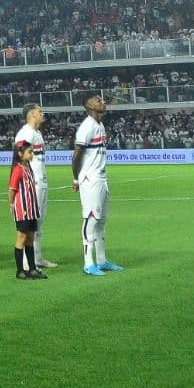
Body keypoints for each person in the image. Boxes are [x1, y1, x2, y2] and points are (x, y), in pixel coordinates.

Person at [72, 92, 122, 276]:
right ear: (90, 105)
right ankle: (88, 263)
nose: (103, 101)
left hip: (101, 178)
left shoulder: (99, 124)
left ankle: (102, 261)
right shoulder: (87, 126)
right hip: (90, 179)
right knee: (90, 219)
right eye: (98, 100)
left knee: (101, 221)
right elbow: (77, 154)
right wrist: (76, 178)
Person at [13, 105, 57, 268]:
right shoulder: (25, 134)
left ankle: (37, 258)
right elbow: (18, 160)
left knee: (39, 221)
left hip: (41, 180)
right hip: (32, 183)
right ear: (32, 114)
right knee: (31, 222)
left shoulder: (37, 133)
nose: (42, 113)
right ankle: (26, 261)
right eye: (39, 111)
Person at [9, 142, 46, 280]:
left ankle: (32, 269)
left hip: (31, 209)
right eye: (30, 152)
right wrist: (12, 205)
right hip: (23, 209)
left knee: (30, 238)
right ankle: (20, 271)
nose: (32, 154)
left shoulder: (28, 167)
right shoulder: (18, 169)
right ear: (20, 154)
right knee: (21, 238)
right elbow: (11, 190)